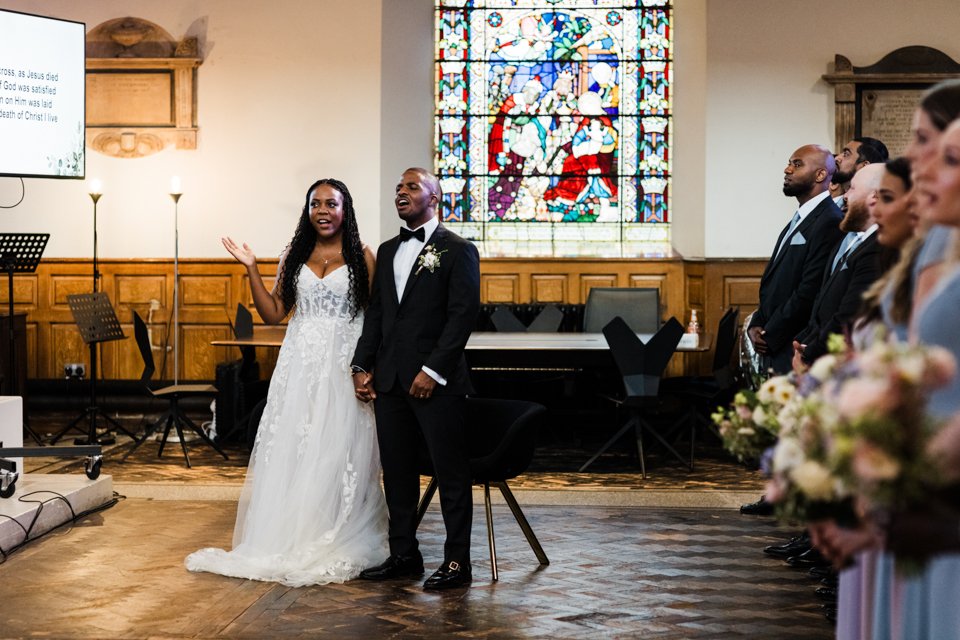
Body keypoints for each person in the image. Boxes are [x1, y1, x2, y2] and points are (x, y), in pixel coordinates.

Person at [185, 179, 386, 586]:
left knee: (341, 446)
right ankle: (294, 533)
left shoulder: (363, 255)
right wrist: (251, 269)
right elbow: (274, 313)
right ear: (307, 210)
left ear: (345, 210)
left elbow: (375, 316)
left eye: (332, 203)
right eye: (316, 204)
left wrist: (367, 366)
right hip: (299, 365)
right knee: (297, 447)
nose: (323, 210)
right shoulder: (292, 256)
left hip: (343, 362)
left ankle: (337, 529)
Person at [351, 167, 481, 591]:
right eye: (397, 188)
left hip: (437, 384)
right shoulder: (388, 251)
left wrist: (433, 370)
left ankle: (458, 562)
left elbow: (463, 316)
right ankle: (404, 554)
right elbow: (378, 314)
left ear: (435, 197)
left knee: (451, 474)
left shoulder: (458, 249)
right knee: (398, 473)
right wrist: (361, 365)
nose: (401, 193)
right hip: (389, 383)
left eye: (411, 187)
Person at [748, 144, 844, 375]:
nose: (787, 169)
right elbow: (776, 283)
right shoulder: (801, 216)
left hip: (792, 344)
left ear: (821, 174)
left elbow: (808, 291)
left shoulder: (829, 220)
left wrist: (771, 334)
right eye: (790, 163)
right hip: (774, 340)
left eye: (797, 164)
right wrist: (756, 323)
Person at [792, 163, 884, 369]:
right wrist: (804, 342)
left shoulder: (877, 248)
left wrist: (810, 354)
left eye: (851, 188)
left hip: (841, 361)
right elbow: (823, 300)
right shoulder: (853, 239)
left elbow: (848, 315)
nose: (845, 196)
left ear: (874, 196)